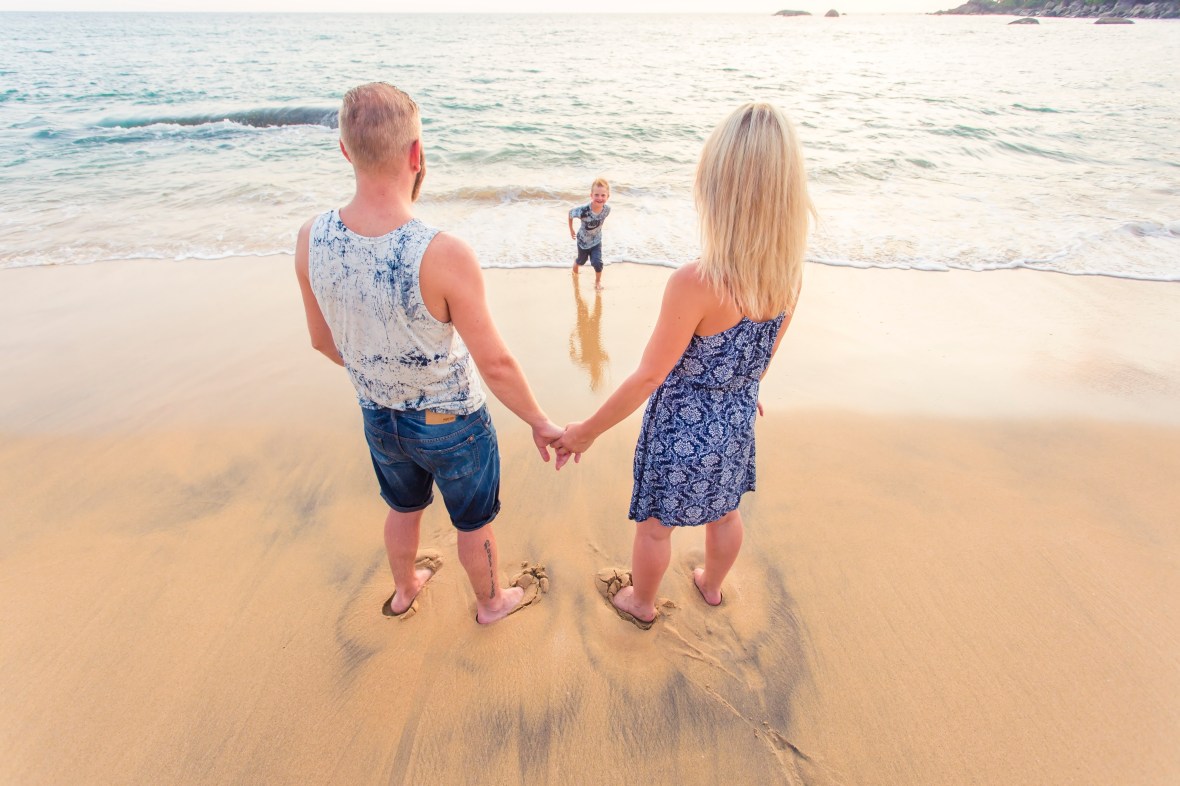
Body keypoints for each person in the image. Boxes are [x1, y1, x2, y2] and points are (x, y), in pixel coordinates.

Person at [294, 82, 564, 625]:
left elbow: (324, 342)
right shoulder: (442, 253)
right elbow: (496, 364)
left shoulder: (311, 238)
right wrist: (539, 421)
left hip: (378, 417)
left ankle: (404, 587)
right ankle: (491, 602)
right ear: (416, 154)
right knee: (473, 521)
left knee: (402, 508)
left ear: (345, 150)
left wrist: (381, 369)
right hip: (451, 420)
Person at [556, 103, 813, 628]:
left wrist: (586, 431)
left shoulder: (697, 283)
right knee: (726, 511)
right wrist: (743, 386)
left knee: (654, 526)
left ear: (716, 192)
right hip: (737, 418)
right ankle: (712, 587)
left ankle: (641, 603)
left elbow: (650, 376)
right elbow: (762, 358)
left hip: (679, 426)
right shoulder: (789, 279)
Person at [568, 178, 611, 291]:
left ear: (608, 196)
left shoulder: (607, 210)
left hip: (596, 241)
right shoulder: (584, 211)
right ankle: (575, 269)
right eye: (596, 195)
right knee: (581, 261)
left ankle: (597, 282)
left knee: (597, 263)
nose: (600, 198)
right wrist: (571, 229)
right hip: (582, 242)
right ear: (591, 195)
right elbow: (570, 214)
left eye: (603, 195)